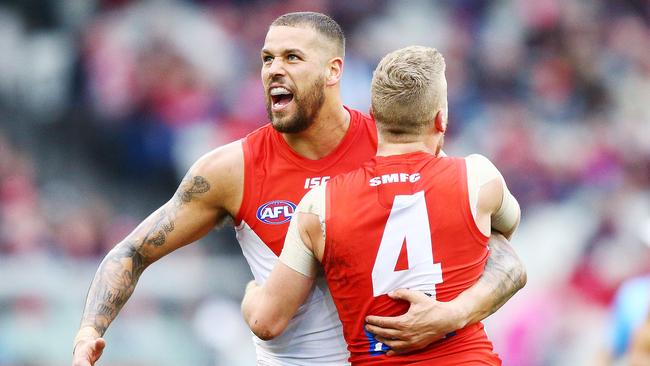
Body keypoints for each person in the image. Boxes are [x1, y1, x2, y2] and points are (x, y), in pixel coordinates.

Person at [72, 12, 526, 366]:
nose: (273, 70)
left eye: (292, 58)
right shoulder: (233, 169)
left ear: (333, 71)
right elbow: (132, 252)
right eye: (267, 59)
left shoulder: (393, 148)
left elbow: (498, 250)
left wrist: (457, 312)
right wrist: (89, 330)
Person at [241, 45, 521, 365]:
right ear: (441, 119)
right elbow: (504, 238)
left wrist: (251, 293)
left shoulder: (320, 204)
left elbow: (267, 322)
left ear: (373, 116)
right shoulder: (477, 178)